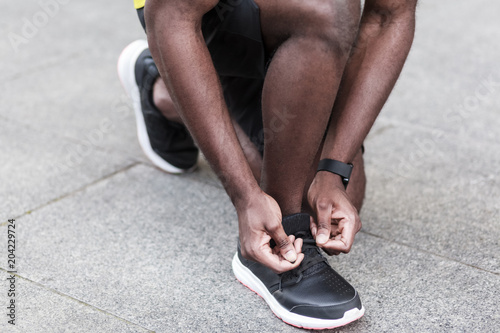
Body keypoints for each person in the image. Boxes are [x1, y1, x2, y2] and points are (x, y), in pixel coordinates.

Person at [118, 0, 417, 329]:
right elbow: (171, 14)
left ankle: (190, 85)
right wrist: (245, 197)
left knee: (324, 198)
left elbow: (390, 14)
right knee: (326, 12)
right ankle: (283, 233)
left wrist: (333, 172)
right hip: (194, 13)